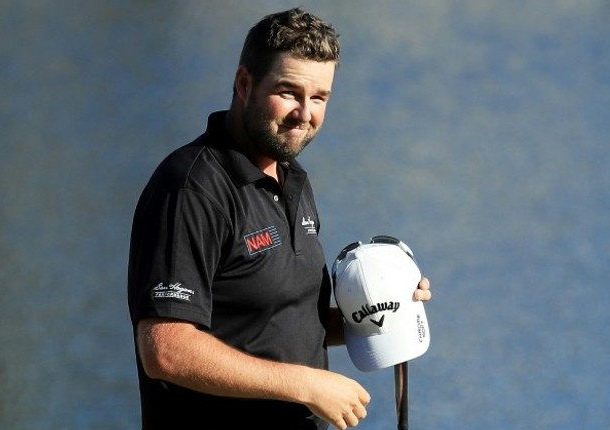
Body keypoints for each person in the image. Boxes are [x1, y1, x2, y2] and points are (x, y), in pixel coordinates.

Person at [127, 8, 432, 430]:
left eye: (320, 98)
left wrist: (380, 308)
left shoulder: (292, 179)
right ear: (244, 83)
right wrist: (307, 385)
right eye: (289, 92)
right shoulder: (191, 189)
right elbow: (165, 349)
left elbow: (281, 323)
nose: (304, 113)